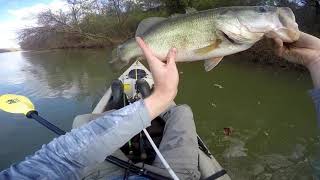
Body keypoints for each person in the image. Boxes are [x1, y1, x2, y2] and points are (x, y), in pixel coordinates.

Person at [0, 31, 320, 179]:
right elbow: (59, 159)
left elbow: (58, 162)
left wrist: (157, 98)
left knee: (89, 122)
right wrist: (163, 99)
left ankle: (146, 109)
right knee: (181, 112)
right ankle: (157, 109)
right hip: (172, 173)